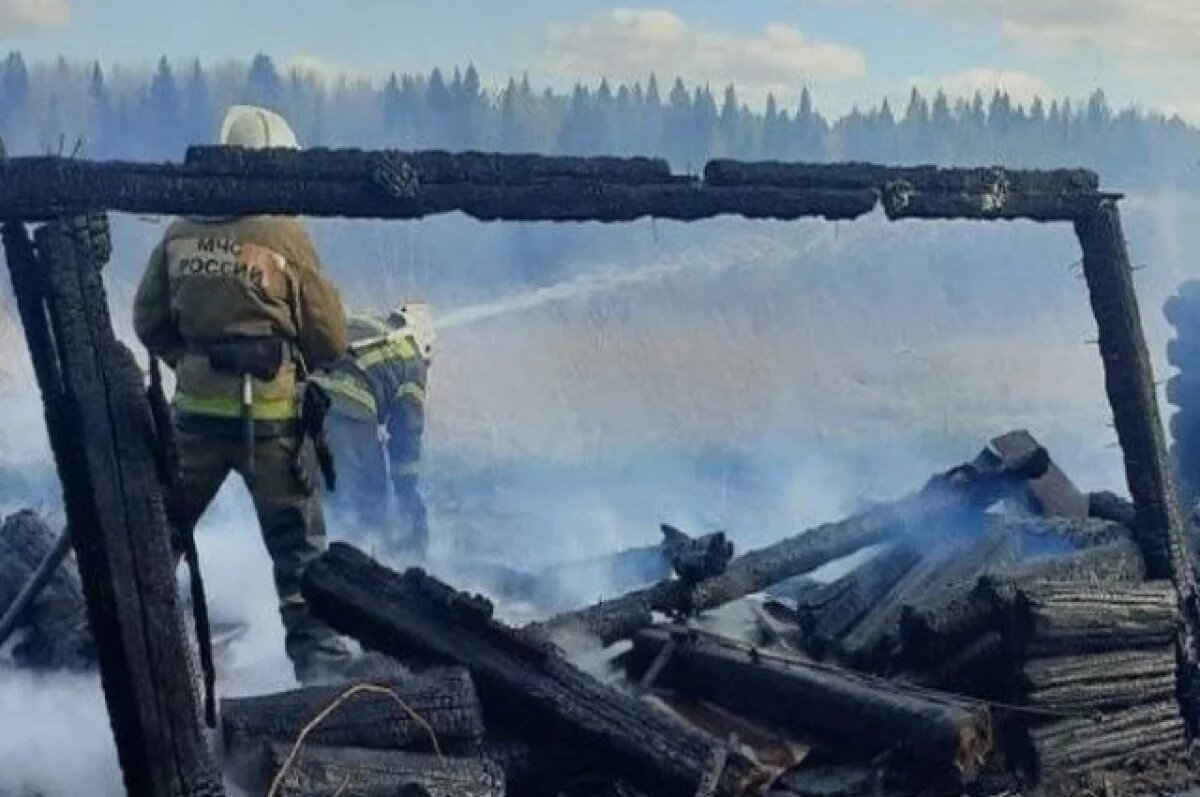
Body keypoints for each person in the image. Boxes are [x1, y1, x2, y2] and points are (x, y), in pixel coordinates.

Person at [132, 104, 354, 684]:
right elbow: (330, 336)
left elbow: (148, 322)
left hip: (194, 426)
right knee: (299, 556)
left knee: (159, 540)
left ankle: (121, 655)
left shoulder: (179, 232)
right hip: (273, 426)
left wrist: (194, 365)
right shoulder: (283, 234)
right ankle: (323, 678)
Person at [311, 302, 433, 556]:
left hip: (299, 404)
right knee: (368, 498)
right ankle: (371, 558)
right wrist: (406, 491)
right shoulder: (412, 358)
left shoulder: (364, 323)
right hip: (346, 417)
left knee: (308, 495)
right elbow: (406, 433)